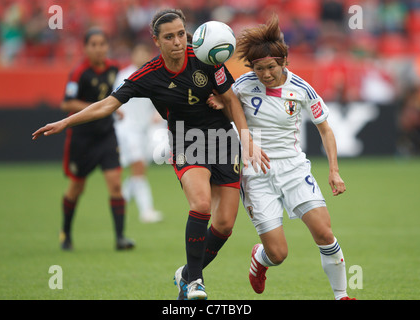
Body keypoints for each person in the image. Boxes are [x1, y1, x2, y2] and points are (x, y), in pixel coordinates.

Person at [32, 9, 269, 300]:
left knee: (224, 224)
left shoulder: (206, 56)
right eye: (169, 37)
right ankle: (195, 282)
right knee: (201, 204)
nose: (178, 42)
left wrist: (247, 141)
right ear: (156, 40)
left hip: (223, 142)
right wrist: (66, 121)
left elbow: (231, 99)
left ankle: (186, 274)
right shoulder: (148, 74)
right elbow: (108, 104)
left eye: (181, 34)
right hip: (187, 142)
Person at [208, 15, 355, 300]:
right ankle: (260, 259)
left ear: (284, 61)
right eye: (259, 68)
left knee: (324, 234)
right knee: (278, 253)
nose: (265, 74)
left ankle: (342, 295)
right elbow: (229, 106)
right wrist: (220, 103)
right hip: (255, 173)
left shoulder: (302, 89)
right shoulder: (242, 85)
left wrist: (334, 171)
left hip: (293, 168)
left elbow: (326, 130)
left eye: (271, 67)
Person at [58, 28, 135, 251]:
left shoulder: (113, 69)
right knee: (76, 188)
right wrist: (99, 109)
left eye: (102, 44)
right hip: (82, 138)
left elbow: (115, 96)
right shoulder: (79, 72)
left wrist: (114, 109)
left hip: (106, 135)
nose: (99, 48)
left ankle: (120, 238)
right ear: (85, 48)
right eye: (94, 44)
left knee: (115, 185)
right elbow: (67, 104)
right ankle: (66, 233)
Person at [113, 43, 164, 223]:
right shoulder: (125, 75)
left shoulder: (153, 75)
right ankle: (146, 211)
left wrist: (157, 115)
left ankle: (121, 201)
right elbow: (114, 100)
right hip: (127, 129)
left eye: (145, 52)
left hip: (144, 130)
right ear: (133, 54)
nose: (142, 56)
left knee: (140, 170)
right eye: (139, 52)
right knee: (139, 168)